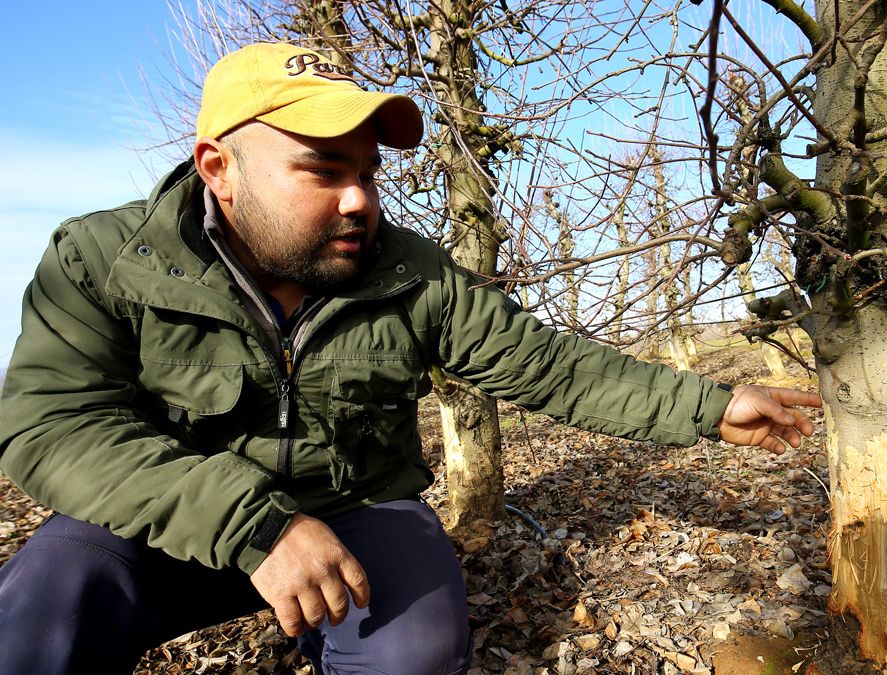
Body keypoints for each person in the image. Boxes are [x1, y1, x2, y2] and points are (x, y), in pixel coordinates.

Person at [0, 42, 820, 675]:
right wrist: (256, 523)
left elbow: (547, 363)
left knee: (415, 654)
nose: (359, 199)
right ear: (220, 169)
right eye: (324, 169)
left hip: (358, 509)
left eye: (367, 172)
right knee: (43, 604)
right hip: (171, 517)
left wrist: (707, 406)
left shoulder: (407, 268)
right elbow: (53, 427)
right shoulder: (103, 258)